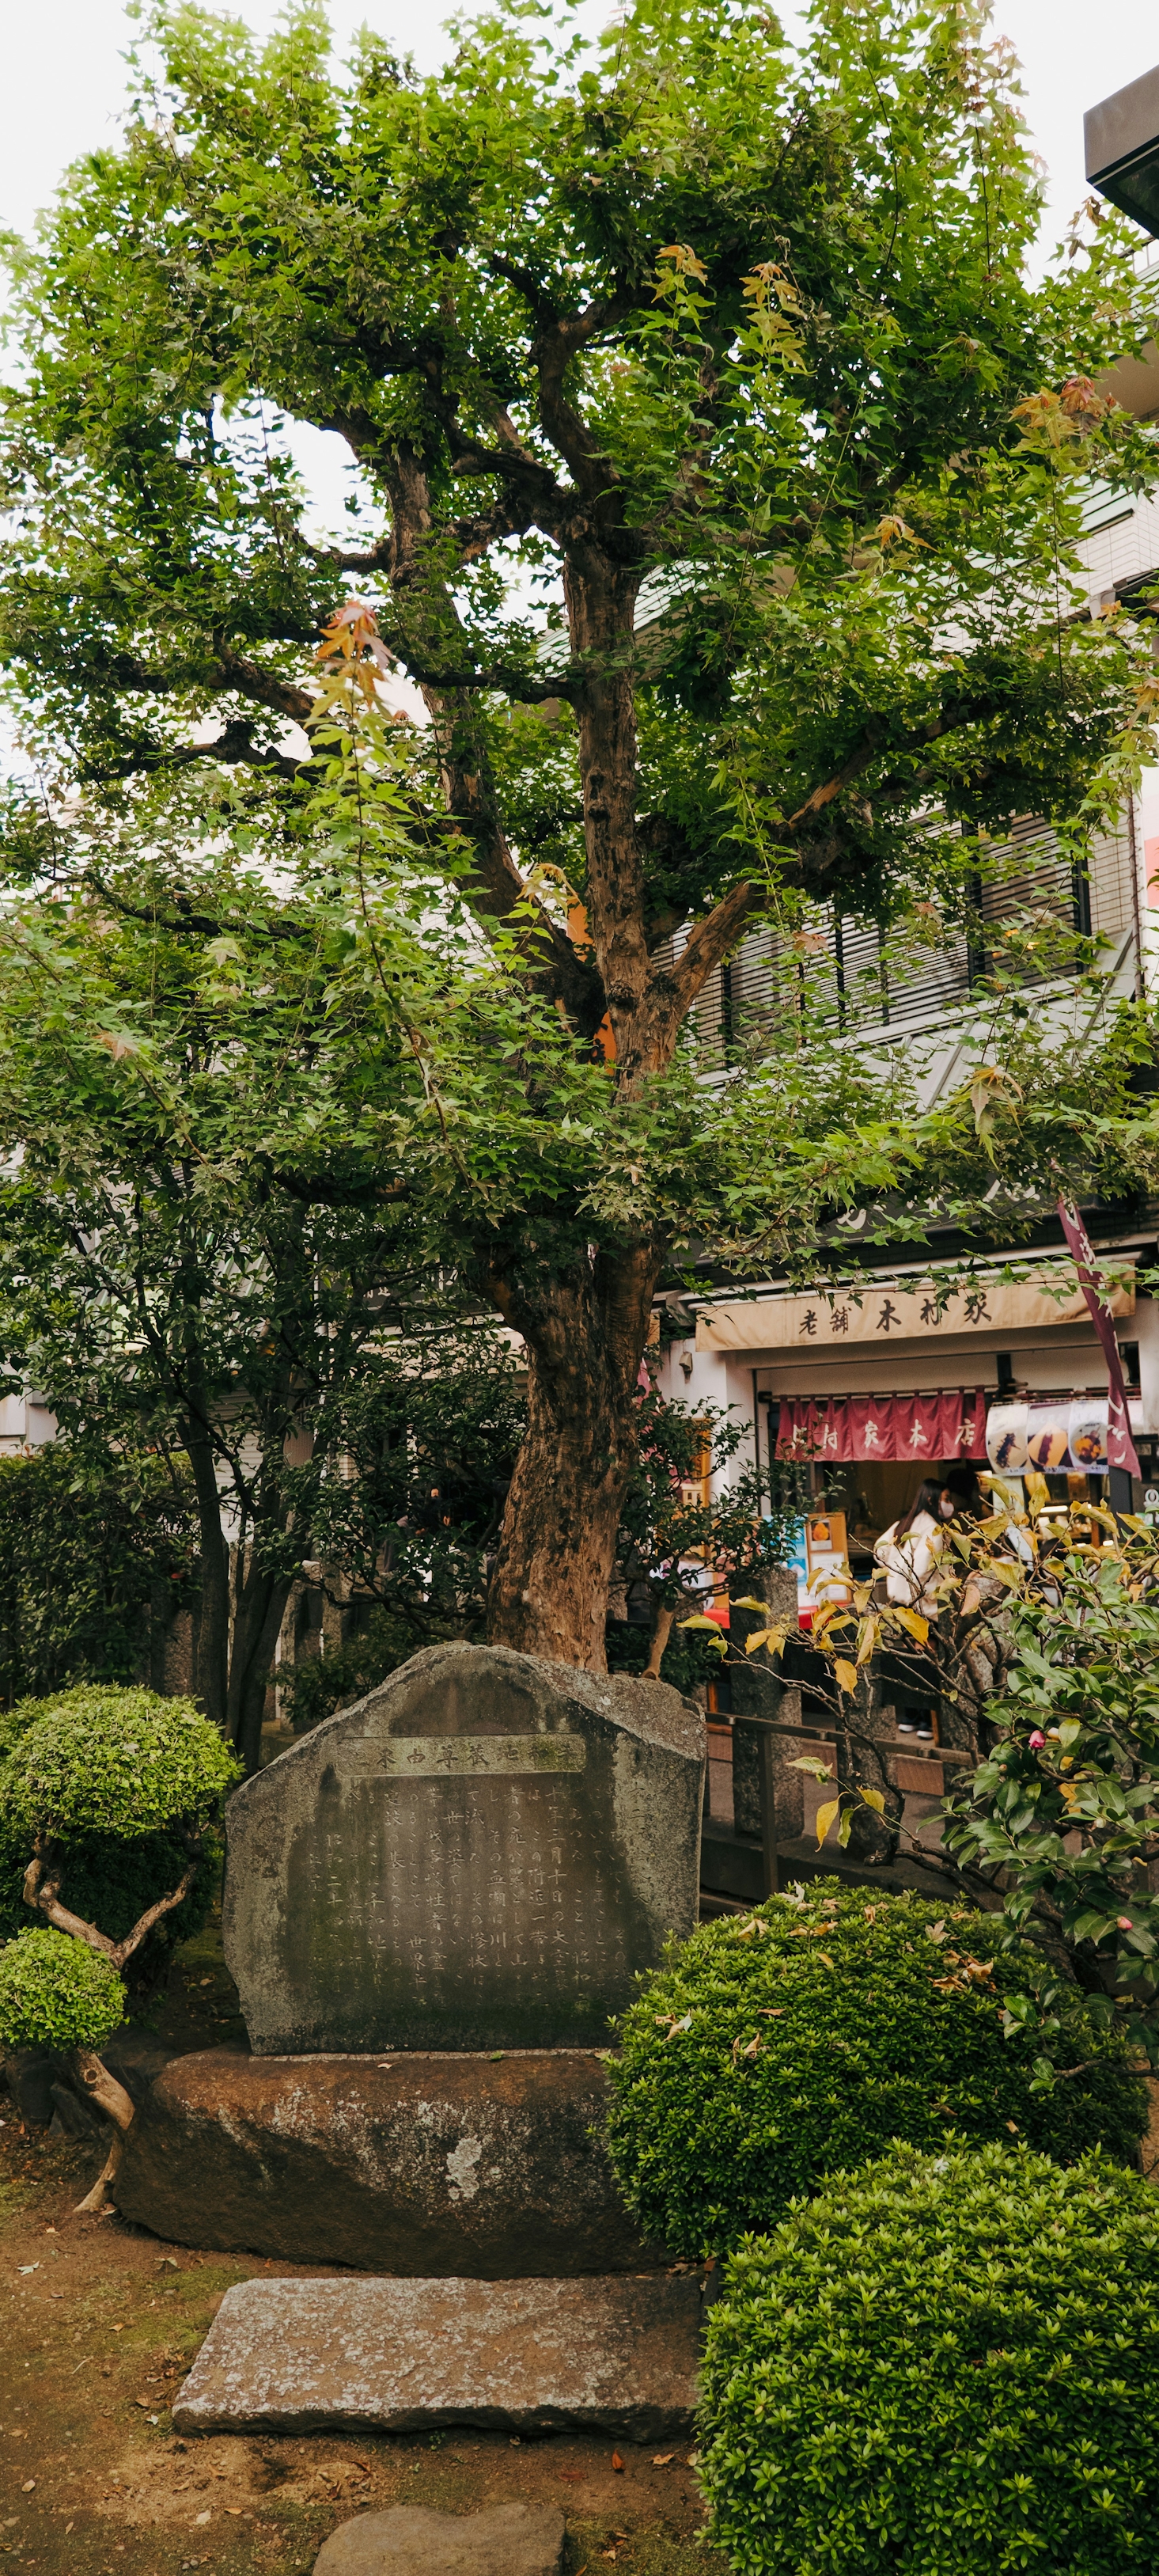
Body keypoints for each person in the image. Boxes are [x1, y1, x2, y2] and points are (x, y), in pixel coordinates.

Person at [873, 1476, 954, 1612]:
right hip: (923, 1606)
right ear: (931, 1500)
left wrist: (896, 1573)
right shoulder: (933, 1529)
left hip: (898, 1601)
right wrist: (934, 1593)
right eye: (946, 1499)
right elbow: (921, 1570)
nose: (950, 1504)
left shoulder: (905, 1523)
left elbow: (879, 1551)